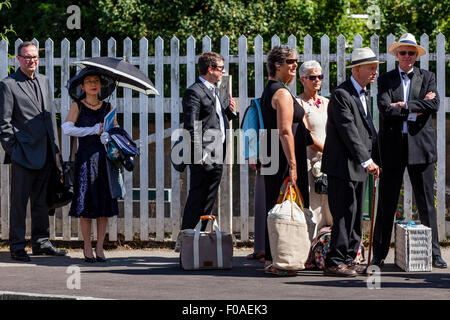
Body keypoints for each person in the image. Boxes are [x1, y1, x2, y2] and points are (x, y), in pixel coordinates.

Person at [372, 33, 447, 269]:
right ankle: (380, 254)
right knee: (387, 203)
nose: (407, 57)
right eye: (403, 53)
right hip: (392, 147)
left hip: (420, 146)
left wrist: (403, 106)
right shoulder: (385, 79)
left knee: (426, 203)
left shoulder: (428, 77)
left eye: (411, 53)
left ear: (416, 55)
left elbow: (433, 105)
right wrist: (416, 109)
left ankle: (434, 253)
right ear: (396, 55)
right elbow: (385, 109)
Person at [0, 41, 67, 262]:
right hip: (23, 155)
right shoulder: (8, 85)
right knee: (19, 203)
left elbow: (50, 119)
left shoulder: (45, 81)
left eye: (35, 57)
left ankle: (41, 242)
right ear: (18, 59)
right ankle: (17, 246)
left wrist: (56, 150)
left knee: (42, 202)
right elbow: (4, 124)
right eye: (28, 57)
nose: (32, 61)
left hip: (46, 153)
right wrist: (14, 150)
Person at [321, 47, 382, 277]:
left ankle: (349, 258)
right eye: (371, 68)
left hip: (359, 164)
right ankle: (334, 261)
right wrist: (367, 160)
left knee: (356, 215)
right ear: (356, 69)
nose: (375, 72)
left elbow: (368, 130)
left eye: (376, 68)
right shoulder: (341, 94)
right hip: (342, 165)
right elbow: (349, 132)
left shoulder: (363, 93)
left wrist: (375, 159)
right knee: (344, 214)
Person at [260, 45, 313, 275]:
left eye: (295, 61)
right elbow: (284, 131)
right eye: (290, 61)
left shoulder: (273, 89)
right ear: (277, 65)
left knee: (276, 206)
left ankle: (276, 257)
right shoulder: (280, 93)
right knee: (284, 208)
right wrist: (293, 165)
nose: (294, 66)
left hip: (272, 154)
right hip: (283, 158)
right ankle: (280, 259)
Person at [62, 68, 119, 263]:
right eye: (89, 81)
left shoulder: (108, 107)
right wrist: (92, 130)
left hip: (104, 161)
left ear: (101, 85)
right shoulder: (77, 106)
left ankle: (100, 247)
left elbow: (117, 131)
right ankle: (87, 246)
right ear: (82, 86)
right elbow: (67, 128)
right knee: (85, 206)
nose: (93, 84)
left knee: (103, 207)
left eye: (96, 81)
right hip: (85, 160)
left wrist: (108, 134)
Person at [179, 52, 237, 232]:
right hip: (203, 155)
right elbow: (191, 126)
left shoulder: (213, 90)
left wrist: (228, 113)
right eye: (220, 68)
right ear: (210, 69)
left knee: (208, 200)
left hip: (217, 152)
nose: (223, 72)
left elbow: (211, 120)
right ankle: (187, 242)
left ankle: (200, 238)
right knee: (197, 198)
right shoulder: (194, 92)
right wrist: (198, 154)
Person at [296, 60, 332, 230]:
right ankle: (311, 248)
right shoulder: (299, 104)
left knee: (330, 205)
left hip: (329, 160)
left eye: (320, 76)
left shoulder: (327, 102)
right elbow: (305, 134)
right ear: (302, 79)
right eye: (312, 77)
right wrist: (328, 150)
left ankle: (328, 248)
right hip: (310, 161)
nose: (317, 80)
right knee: (313, 205)